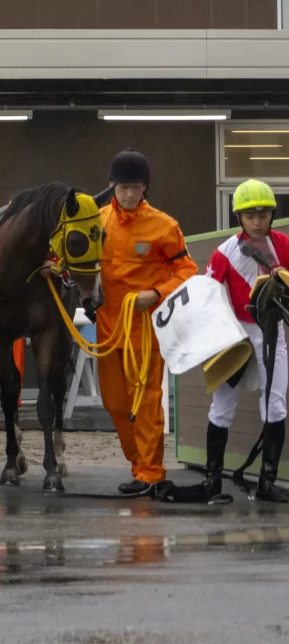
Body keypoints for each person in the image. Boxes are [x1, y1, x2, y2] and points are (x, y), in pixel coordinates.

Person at [98, 149, 197, 494]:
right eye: (123, 187)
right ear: (112, 185)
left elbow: (187, 271)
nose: (128, 194)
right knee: (114, 403)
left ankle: (149, 472)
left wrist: (156, 292)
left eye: (135, 187)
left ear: (145, 188)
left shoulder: (164, 226)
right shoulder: (97, 222)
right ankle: (137, 464)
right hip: (108, 330)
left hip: (144, 332)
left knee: (146, 402)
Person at [203, 178, 289, 503]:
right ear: (238, 216)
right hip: (233, 334)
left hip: (271, 330)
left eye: (263, 214)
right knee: (222, 406)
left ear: (272, 214)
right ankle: (212, 480)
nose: (257, 221)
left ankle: (267, 482)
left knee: (276, 404)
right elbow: (207, 294)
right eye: (250, 215)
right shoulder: (224, 252)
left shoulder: (284, 245)